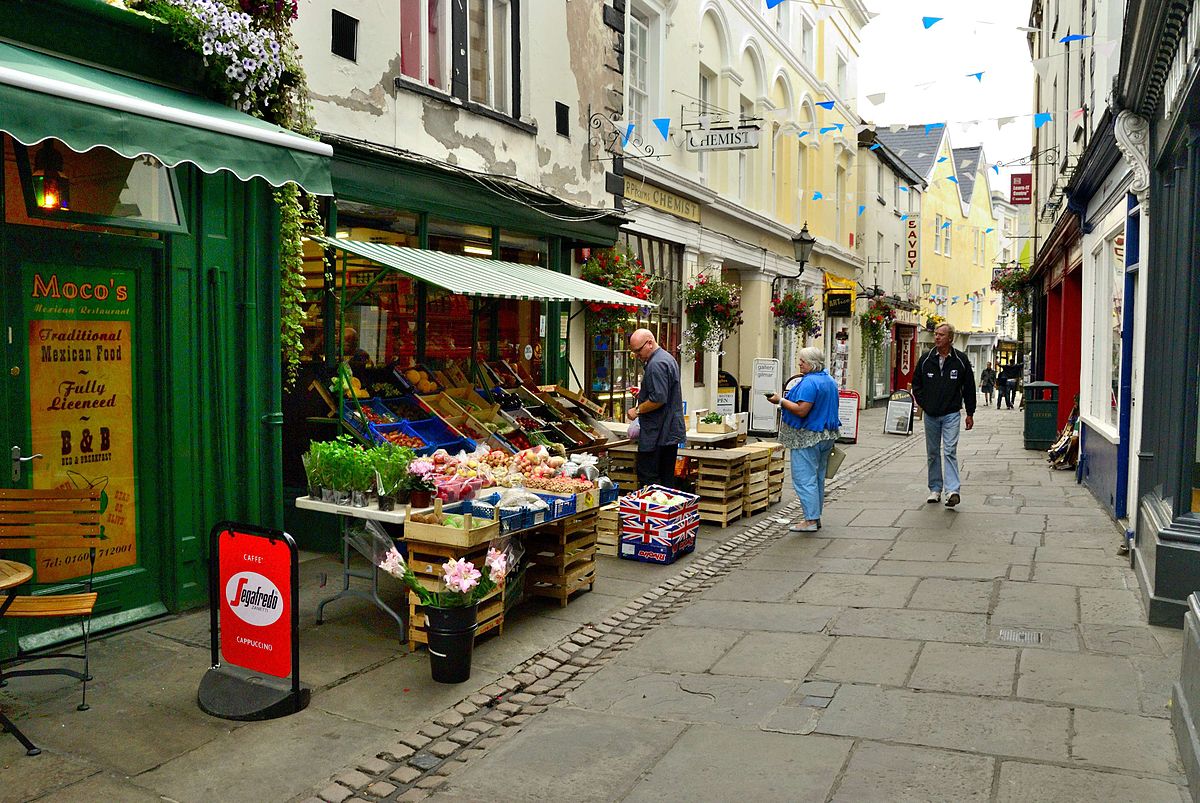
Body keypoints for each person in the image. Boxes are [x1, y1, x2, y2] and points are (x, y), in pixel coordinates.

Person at [767, 347, 842, 532]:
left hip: (807, 436)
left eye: (803, 361)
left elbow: (802, 410)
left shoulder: (810, 383)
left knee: (804, 478)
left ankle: (810, 520)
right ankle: (815, 517)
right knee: (817, 478)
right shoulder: (829, 380)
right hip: (826, 435)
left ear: (812, 363)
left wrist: (780, 401)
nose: (799, 363)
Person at [912, 323, 976, 508]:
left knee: (949, 451)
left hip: (951, 414)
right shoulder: (926, 359)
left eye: (941, 335)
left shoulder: (960, 360)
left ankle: (952, 491)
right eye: (936, 334)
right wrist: (926, 404)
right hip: (931, 415)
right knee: (933, 453)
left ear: (950, 338)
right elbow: (917, 385)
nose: (937, 337)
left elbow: (969, 388)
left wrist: (970, 413)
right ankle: (935, 488)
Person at [626, 329, 686, 489]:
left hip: (658, 433)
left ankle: (654, 512)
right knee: (666, 478)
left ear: (650, 343)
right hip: (667, 432)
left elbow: (658, 399)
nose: (637, 356)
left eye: (638, 351)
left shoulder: (656, 364)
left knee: (649, 478)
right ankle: (666, 512)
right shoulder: (667, 358)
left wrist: (637, 410)